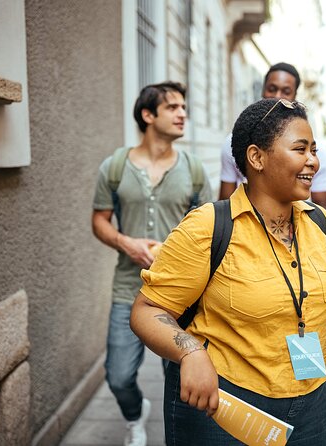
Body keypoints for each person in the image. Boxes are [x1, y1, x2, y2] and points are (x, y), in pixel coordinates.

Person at [130, 98, 326, 445]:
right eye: (300, 149)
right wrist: (190, 350)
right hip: (224, 407)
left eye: (314, 150)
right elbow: (148, 310)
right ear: (257, 157)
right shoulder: (208, 226)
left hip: (311, 408)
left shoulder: (323, 224)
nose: (313, 161)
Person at [91, 81, 213, 446]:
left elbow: (210, 229)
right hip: (129, 289)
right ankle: (134, 415)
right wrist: (124, 242)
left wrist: (174, 251)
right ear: (148, 115)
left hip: (180, 296)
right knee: (118, 376)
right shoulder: (114, 167)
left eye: (183, 108)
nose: (182, 114)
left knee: (178, 377)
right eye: (173, 107)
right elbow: (99, 220)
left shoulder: (193, 170)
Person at [219, 62, 326, 209]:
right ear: (254, 156)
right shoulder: (234, 142)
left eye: (286, 91)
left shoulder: (316, 152)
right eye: (272, 89)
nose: (277, 97)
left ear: (295, 96)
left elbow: (322, 210)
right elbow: (224, 202)